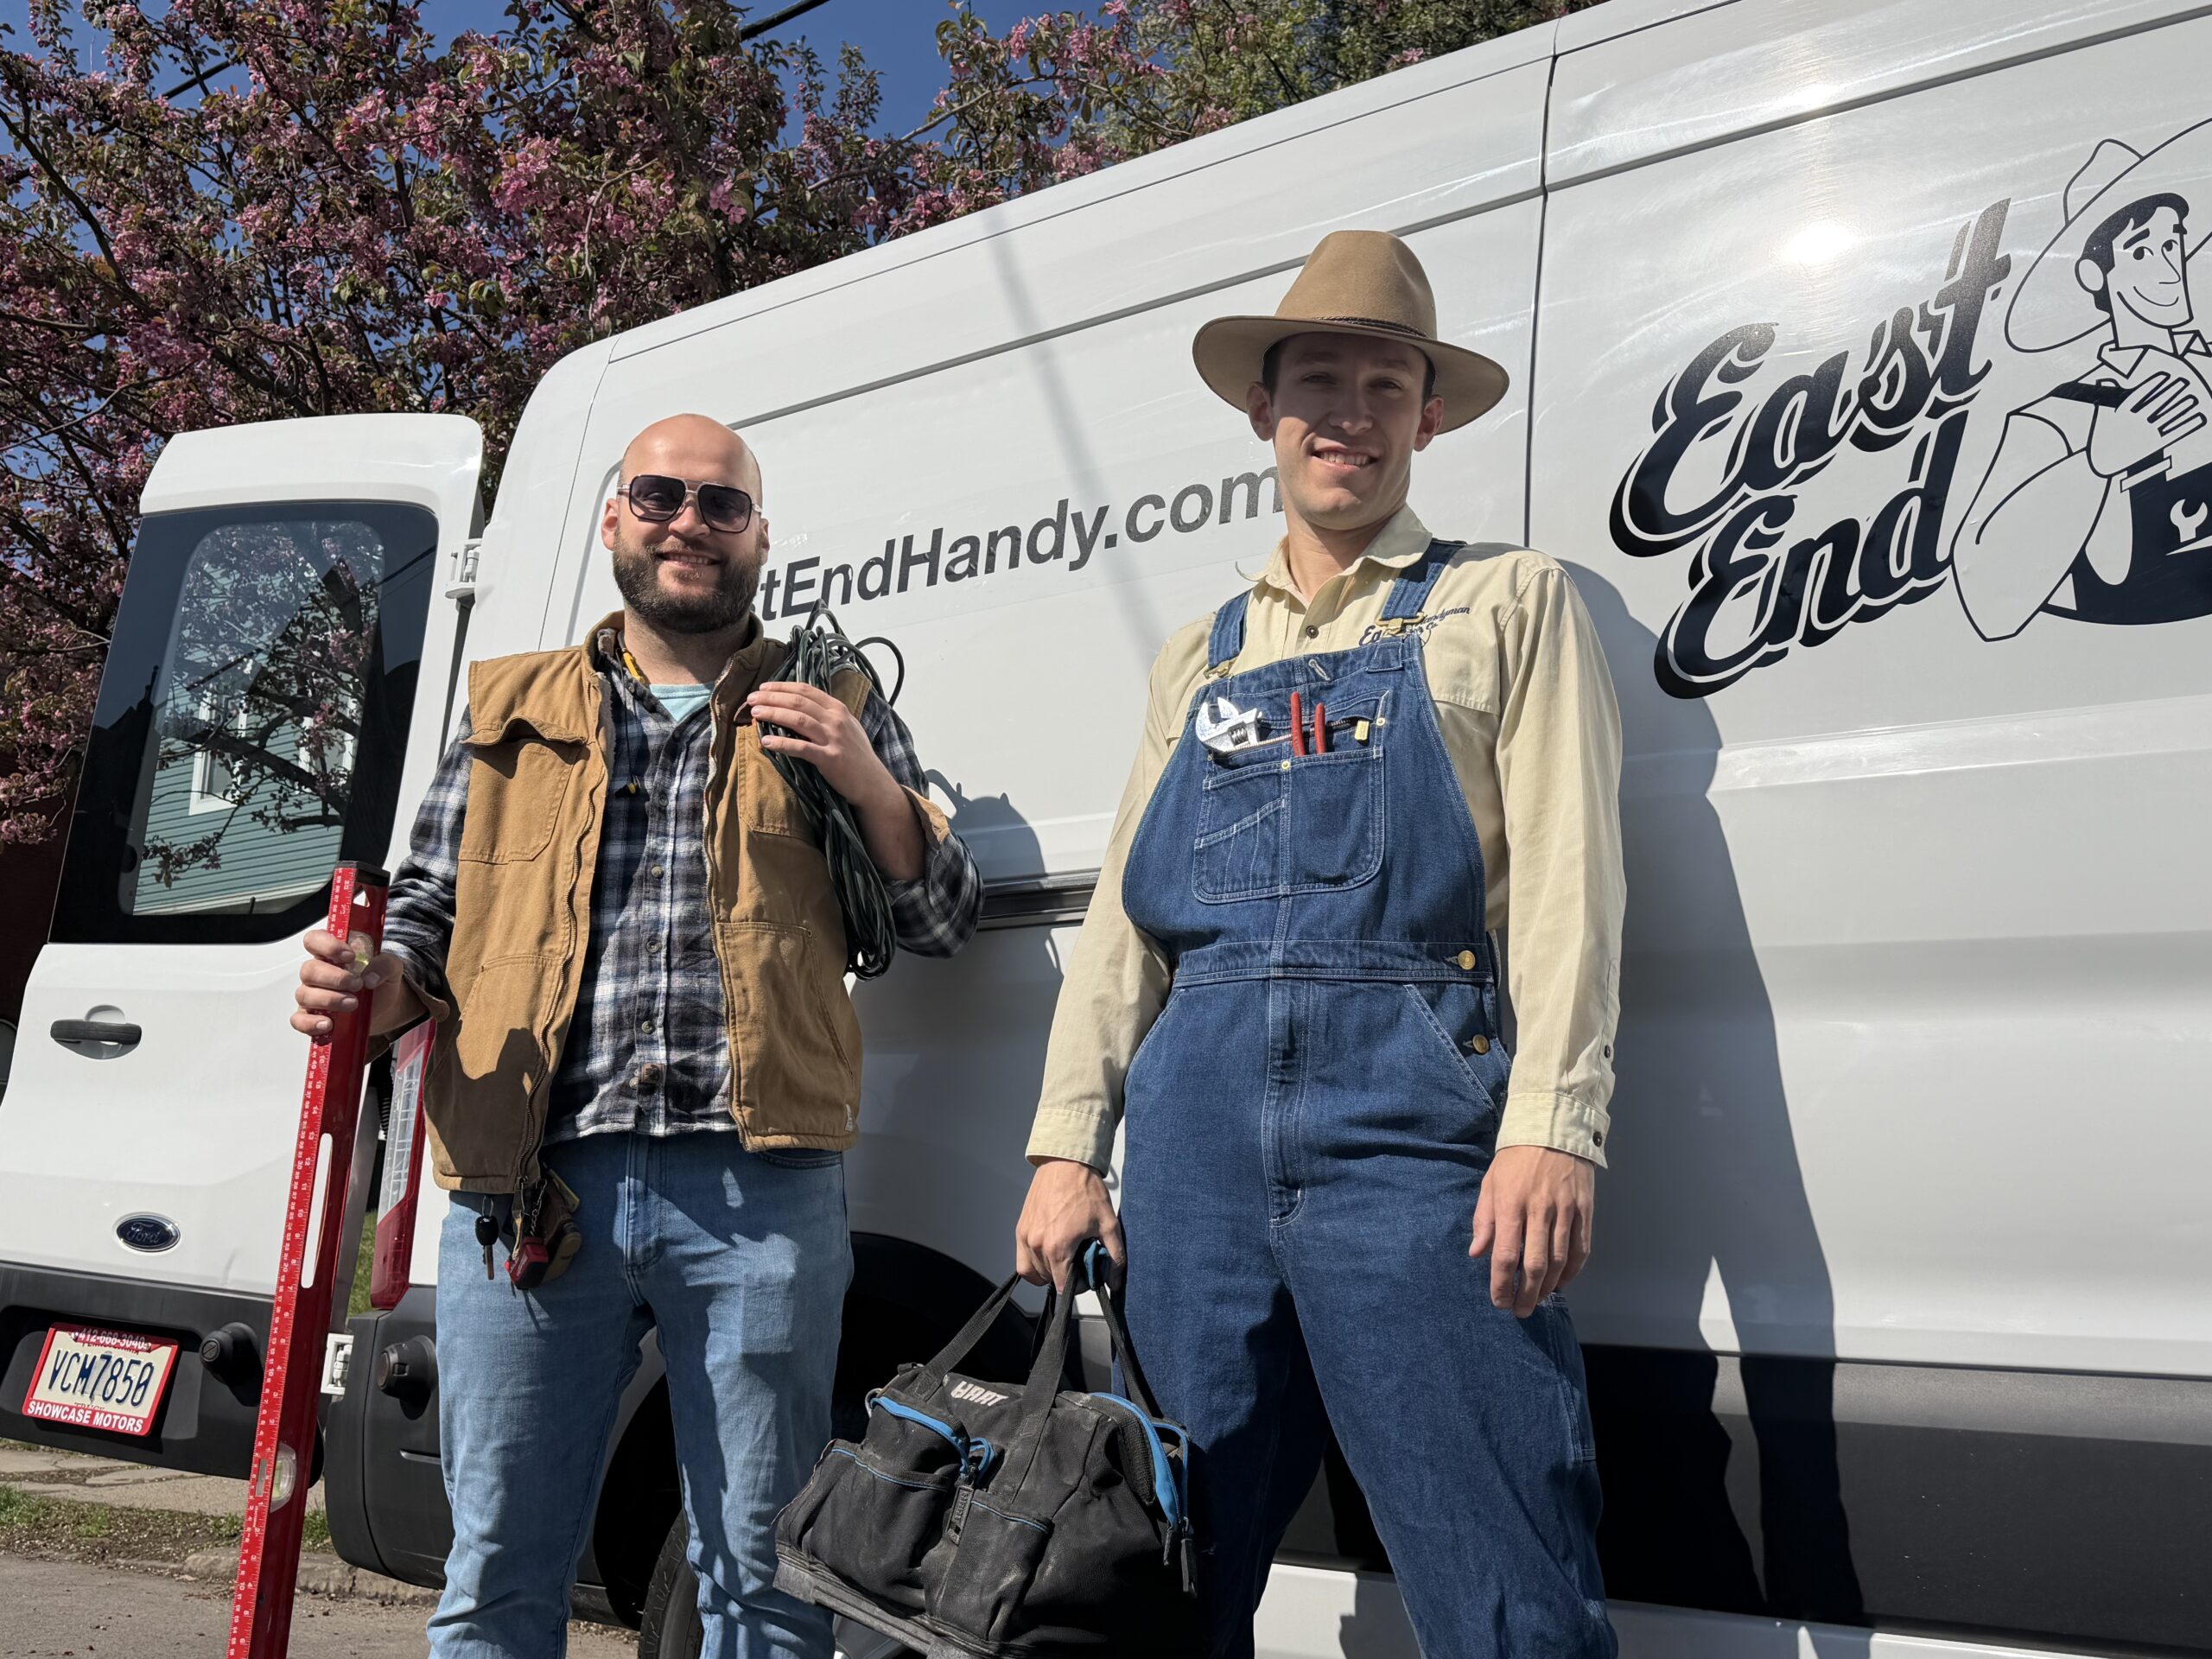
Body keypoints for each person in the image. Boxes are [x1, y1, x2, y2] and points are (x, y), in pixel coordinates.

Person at [1014, 231, 1624, 1656]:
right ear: (1263, 413)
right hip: (1195, 1149)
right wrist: (1065, 1143)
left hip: (1411, 1134)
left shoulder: (1510, 602)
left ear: (1428, 415)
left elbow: (1570, 879)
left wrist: (1554, 1126)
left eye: (1383, 384)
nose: (1348, 413)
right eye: (1319, 384)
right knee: (1161, 1568)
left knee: (1505, 1576)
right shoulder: (1202, 652)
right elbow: (1125, 927)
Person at [289, 413, 982, 1659]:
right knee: (497, 1576)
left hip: (760, 1187)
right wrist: (370, 988)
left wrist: (870, 778)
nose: (688, 523)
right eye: (659, 496)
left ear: (759, 537)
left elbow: (940, 915)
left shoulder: (829, 700)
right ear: (615, 519)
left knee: (767, 1580)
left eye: (723, 506)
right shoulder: (512, 711)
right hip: (531, 1190)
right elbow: (433, 926)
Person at [1954, 123, 2212, 639]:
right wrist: (2093, 467)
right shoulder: (2060, 415)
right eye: (2140, 251)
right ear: (2095, 276)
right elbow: (1988, 604)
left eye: (2172, 245)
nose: (2169, 269)